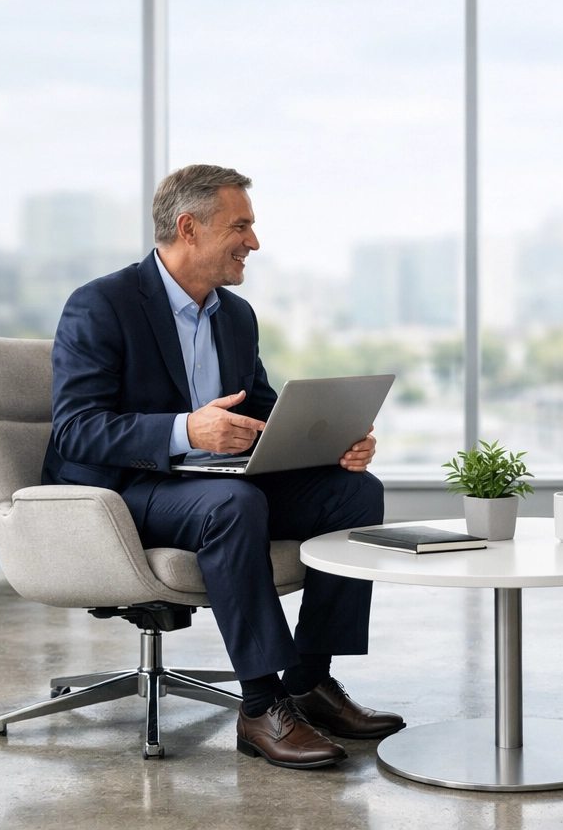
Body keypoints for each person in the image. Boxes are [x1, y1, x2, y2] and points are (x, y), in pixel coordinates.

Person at [42, 164, 403, 770]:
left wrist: (332, 442)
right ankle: (260, 705)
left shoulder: (235, 316)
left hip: (213, 484)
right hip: (127, 490)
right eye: (241, 226)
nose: (254, 243)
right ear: (189, 228)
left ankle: (308, 681)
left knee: (355, 494)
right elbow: (76, 429)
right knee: (236, 504)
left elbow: (262, 412)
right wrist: (187, 429)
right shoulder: (101, 305)